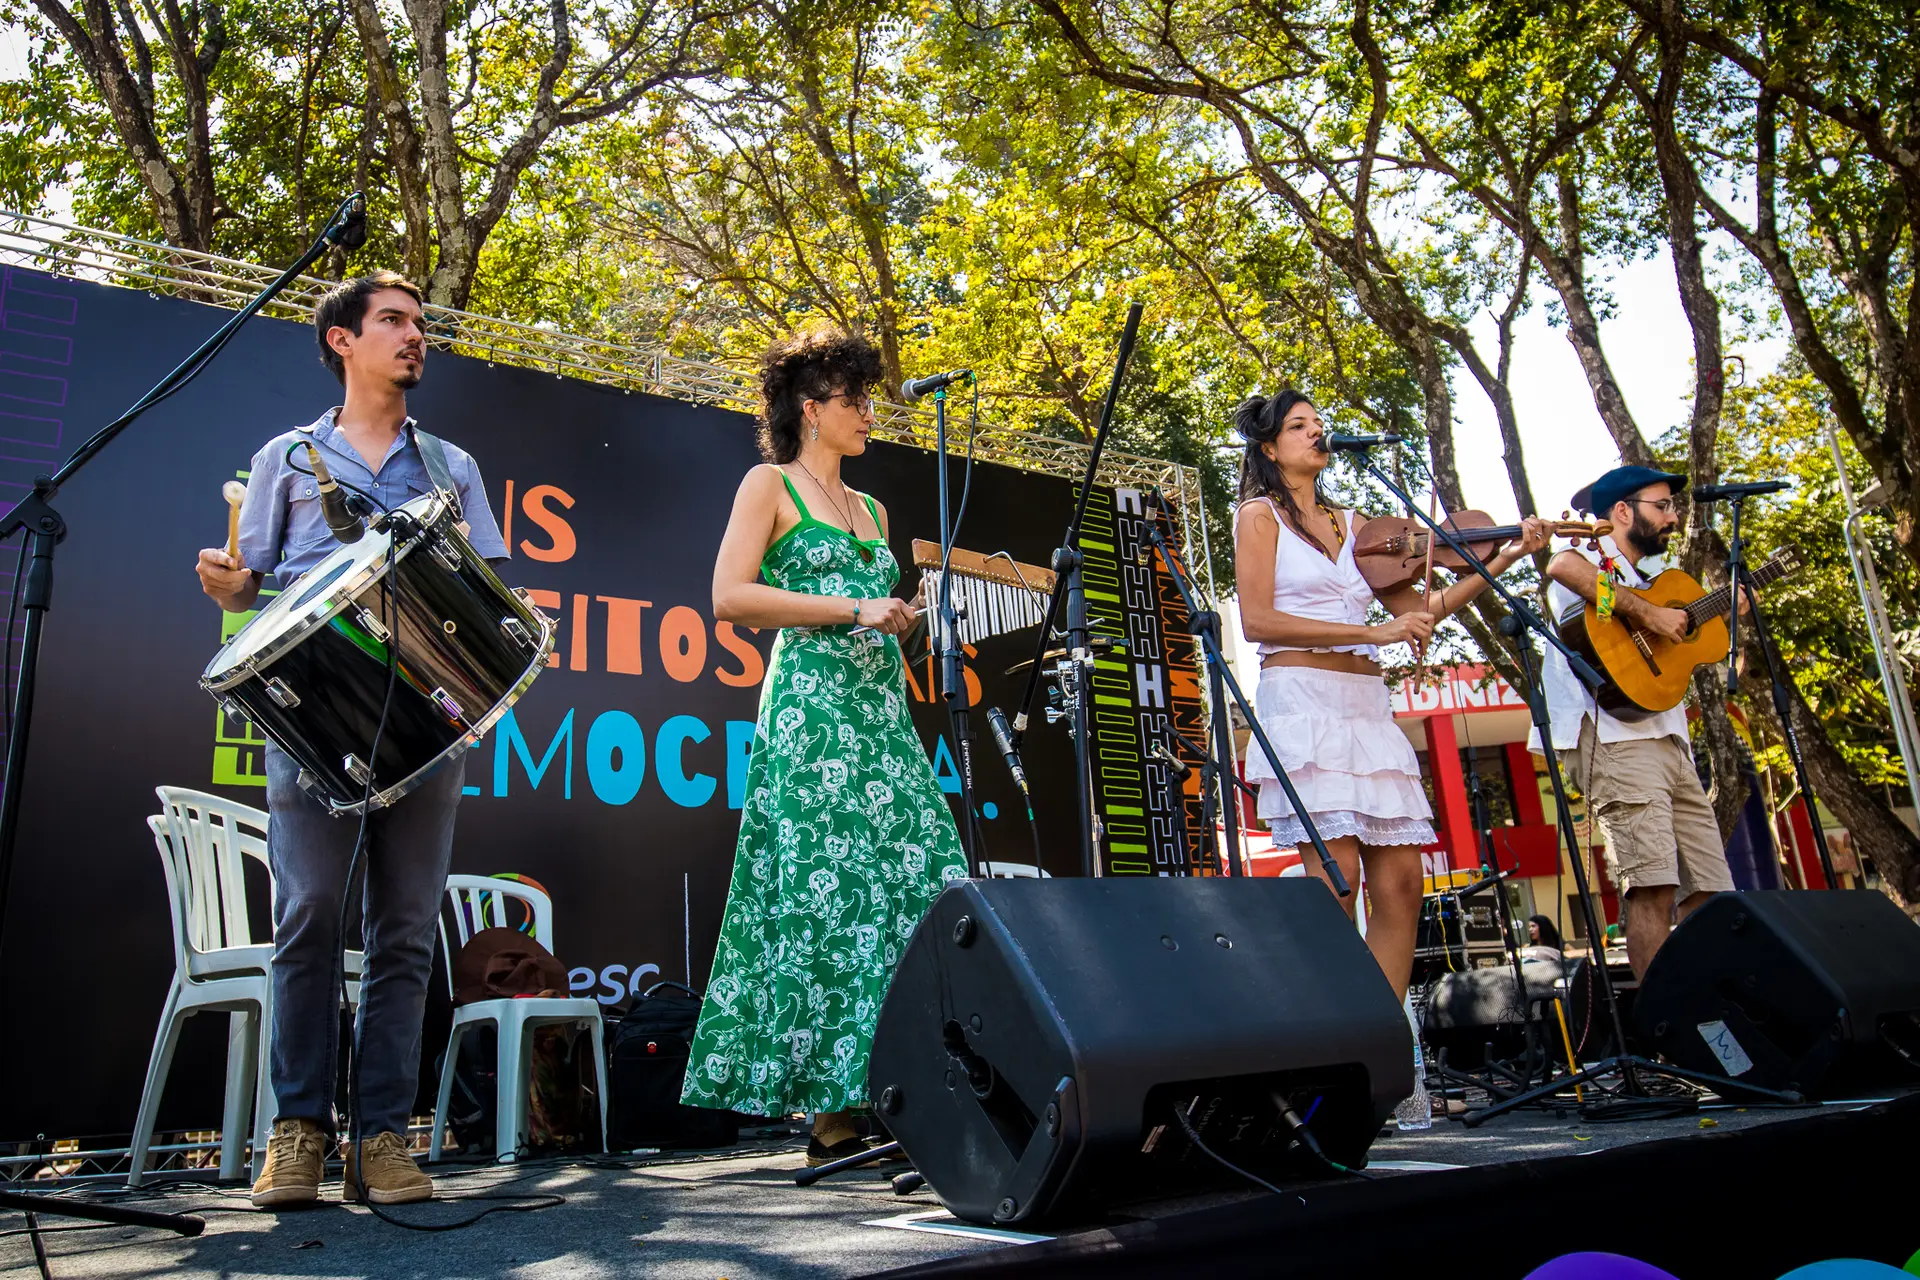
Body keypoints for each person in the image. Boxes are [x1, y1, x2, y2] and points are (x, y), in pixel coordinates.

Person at [195, 271, 510, 1208]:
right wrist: (228, 585)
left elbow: (489, 589)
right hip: (313, 720)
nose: (416, 337)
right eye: (394, 322)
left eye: (420, 324)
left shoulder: (451, 465)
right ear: (342, 340)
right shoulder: (287, 458)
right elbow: (247, 582)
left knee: (406, 931)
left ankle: (381, 1137)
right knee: (307, 918)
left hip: (429, 719)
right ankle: (297, 1133)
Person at [681, 328, 969, 1167]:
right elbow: (730, 597)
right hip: (811, 714)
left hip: (881, 713)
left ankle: (905, 1085)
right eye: (855, 401)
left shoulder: (873, 510)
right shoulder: (768, 484)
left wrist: (910, 620)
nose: (869, 414)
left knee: (917, 882)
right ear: (811, 409)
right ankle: (829, 1111)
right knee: (828, 891)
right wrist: (853, 609)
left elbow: (877, 616)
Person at [1232, 389, 1552, 1002]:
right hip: (1302, 700)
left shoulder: (1356, 524)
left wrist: (1505, 557)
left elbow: (1422, 609)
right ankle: (1333, 1024)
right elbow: (1257, 622)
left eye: (1319, 422)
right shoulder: (1259, 515)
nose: (1316, 432)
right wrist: (1371, 632)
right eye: (1298, 426)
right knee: (1338, 880)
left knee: (1404, 882)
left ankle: (1387, 1033)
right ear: (1270, 448)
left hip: (1366, 706)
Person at [1541, 464, 1740, 980]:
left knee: (1711, 889)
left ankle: (1705, 1000)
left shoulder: (1659, 580)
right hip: (1613, 736)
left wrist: (1728, 606)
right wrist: (1649, 615)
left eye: (1674, 507)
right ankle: (1661, 1018)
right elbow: (1562, 567)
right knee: (1652, 883)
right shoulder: (1590, 557)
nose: (1673, 517)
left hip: (1669, 738)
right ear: (1623, 512)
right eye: (1662, 506)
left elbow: (1684, 639)